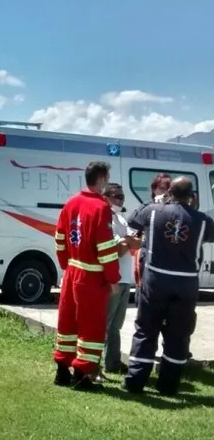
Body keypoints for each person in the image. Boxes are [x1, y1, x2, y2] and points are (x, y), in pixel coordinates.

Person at [123, 177, 214, 396]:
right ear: (192, 196)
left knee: (146, 329)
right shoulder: (202, 220)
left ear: (170, 193)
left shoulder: (154, 211)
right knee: (178, 335)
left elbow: (132, 219)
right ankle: (168, 384)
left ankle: (135, 382)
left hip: (155, 280)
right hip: (185, 284)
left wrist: (156, 200)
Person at [53, 161, 121, 391]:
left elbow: (60, 238)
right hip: (91, 275)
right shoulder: (101, 207)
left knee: (68, 322)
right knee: (91, 326)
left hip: (72, 270)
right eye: (107, 179)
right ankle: (81, 376)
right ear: (101, 180)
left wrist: (66, 265)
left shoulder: (71, 203)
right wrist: (113, 279)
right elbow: (105, 247)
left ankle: (62, 371)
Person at [97, 183, 140, 380]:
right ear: (105, 197)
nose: (120, 200)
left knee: (116, 325)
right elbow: (118, 249)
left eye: (122, 197)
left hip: (125, 279)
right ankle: (94, 364)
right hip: (112, 279)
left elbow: (135, 242)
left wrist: (126, 241)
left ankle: (112, 363)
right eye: (116, 196)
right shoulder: (105, 219)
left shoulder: (120, 218)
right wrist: (126, 242)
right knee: (104, 324)